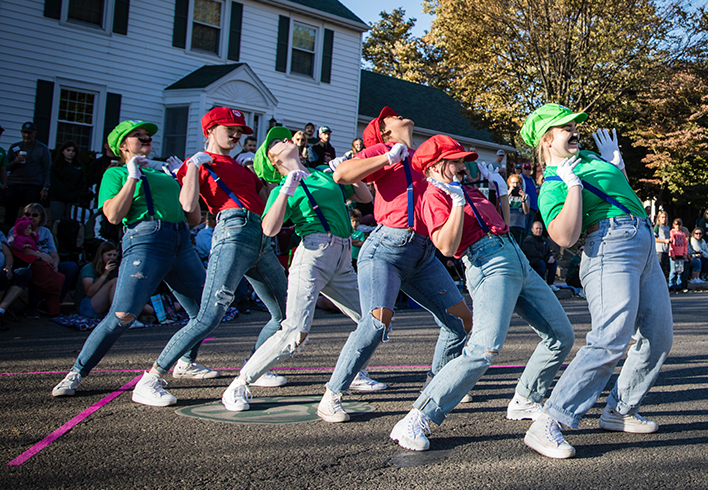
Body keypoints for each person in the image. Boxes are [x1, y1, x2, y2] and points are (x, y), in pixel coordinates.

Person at [388, 135, 574, 451]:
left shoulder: (466, 188)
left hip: (516, 258)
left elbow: (501, 222)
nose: (463, 166)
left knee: (561, 335)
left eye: (462, 160)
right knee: (484, 348)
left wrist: (499, 189)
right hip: (488, 264)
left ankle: (527, 398)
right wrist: (457, 202)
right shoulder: (434, 196)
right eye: (456, 160)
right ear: (437, 165)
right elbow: (447, 246)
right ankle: (417, 417)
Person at [518, 103, 672, 459]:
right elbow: (564, 236)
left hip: (643, 242)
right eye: (566, 127)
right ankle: (548, 422)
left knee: (659, 335)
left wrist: (617, 167)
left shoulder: (591, 159)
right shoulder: (553, 184)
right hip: (609, 248)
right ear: (546, 138)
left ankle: (620, 410)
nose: (576, 131)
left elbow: (624, 198)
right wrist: (571, 186)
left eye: (575, 125)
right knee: (610, 339)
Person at [128, 108, 295, 407]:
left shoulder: (239, 165)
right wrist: (192, 167)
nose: (236, 135)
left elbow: (266, 196)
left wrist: (259, 172)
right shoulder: (199, 163)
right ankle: (151, 379)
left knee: (286, 313)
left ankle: (253, 368)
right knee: (209, 315)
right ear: (210, 130)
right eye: (229, 128)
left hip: (261, 235)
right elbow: (189, 205)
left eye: (239, 131)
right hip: (233, 230)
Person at [316, 106, 473, 423]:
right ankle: (332, 395)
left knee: (460, 323)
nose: (400, 115)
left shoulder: (423, 158)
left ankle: (434, 389)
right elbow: (342, 175)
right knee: (376, 324)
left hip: (424, 253)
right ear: (384, 132)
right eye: (390, 117)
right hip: (386, 249)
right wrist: (388, 158)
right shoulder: (386, 149)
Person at [218, 125, 380, 411]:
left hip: (342, 255)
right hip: (313, 255)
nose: (285, 139)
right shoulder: (282, 189)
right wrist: (285, 192)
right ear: (272, 160)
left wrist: (348, 170)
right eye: (277, 142)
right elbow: (269, 228)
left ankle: (355, 373)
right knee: (295, 331)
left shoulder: (322, 174)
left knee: (373, 320)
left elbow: (364, 198)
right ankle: (240, 383)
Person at [51, 120, 208, 399]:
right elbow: (113, 216)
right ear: (123, 146)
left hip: (181, 241)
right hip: (146, 239)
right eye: (139, 137)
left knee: (205, 312)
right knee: (122, 315)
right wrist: (133, 176)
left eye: (148, 137)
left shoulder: (165, 174)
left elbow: (193, 218)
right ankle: (77, 372)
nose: (147, 140)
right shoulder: (116, 174)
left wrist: (186, 180)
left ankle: (184, 363)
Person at [10, 203, 78, 317]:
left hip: (48, 263)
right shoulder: (17, 229)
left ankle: (50, 303)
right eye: (27, 214)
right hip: (28, 263)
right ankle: (36, 306)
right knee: (40, 270)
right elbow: (16, 248)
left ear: (41, 217)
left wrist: (55, 264)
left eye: (35, 215)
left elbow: (54, 253)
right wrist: (41, 256)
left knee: (71, 267)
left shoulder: (45, 232)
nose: (30, 217)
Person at [4, 122, 51, 227]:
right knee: (10, 211)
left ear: (35, 133)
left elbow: (47, 169)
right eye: (25, 133)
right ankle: (8, 233)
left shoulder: (42, 149)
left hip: (33, 184)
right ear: (21, 133)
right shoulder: (14, 147)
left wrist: (45, 187)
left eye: (29, 133)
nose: (27, 135)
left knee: (31, 212)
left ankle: (29, 233)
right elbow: (5, 167)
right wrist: (15, 162)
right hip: (14, 183)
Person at [74, 241, 118, 319]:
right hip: (86, 307)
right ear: (101, 255)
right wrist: (105, 274)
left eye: (114, 255)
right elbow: (89, 292)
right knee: (115, 281)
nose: (112, 258)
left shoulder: (114, 269)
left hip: (102, 306)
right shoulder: (88, 268)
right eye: (109, 255)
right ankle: (116, 317)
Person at [48, 141, 88, 222]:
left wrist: (74, 195)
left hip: (73, 200)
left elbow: (82, 183)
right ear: (63, 151)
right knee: (56, 222)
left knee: (71, 223)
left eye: (73, 151)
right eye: (68, 150)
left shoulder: (79, 167)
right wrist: (64, 194)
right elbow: (54, 182)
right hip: (57, 199)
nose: (70, 153)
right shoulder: (56, 166)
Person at [0, 230, 31, 329]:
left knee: (24, 273)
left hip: (4, 270)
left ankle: (1, 310)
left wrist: (8, 267)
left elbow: (8, 254)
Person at [520, 220, 557, 285]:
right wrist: (546, 258)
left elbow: (548, 251)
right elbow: (533, 253)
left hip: (542, 259)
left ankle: (550, 284)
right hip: (532, 261)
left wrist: (551, 257)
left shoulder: (544, 240)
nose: (539, 230)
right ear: (532, 229)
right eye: (537, 228)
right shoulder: (528, 240)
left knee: (554, 263)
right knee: (541, 264)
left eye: (540, 228)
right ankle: (540, 284)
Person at [506, 173, 530, 244]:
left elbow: (526, 212)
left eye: (517, 183)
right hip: (508, 224)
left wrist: (523, 200)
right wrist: (509, 193)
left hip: (519, 225)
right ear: (509, 184)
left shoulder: (525, 195)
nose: (515, 185)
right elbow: (501, 206)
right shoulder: (505, 195)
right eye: (513, 183)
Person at [667, 218, 688, 290]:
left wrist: (685, 253)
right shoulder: (672, 232)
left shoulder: (683, 234)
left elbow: (685, 244)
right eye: (676, 225)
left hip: (681, 254)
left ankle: (679, 284)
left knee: (680, 270)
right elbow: (671, 244)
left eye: (679, 225)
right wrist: (672, 253)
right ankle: (671, 284)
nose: (678, 227)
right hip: (674, 254)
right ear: (673, 225)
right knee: (673, 270)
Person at [653, 210, 671, 277]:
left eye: (665, 217)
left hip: (666, 250)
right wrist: (664, 241)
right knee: (659, 267)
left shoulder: (668, 227)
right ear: (659, 218)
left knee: (664, 268)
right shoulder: (657, 227)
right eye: (662, 217)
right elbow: (654, 239)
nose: (664, 219)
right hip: (659, 249)